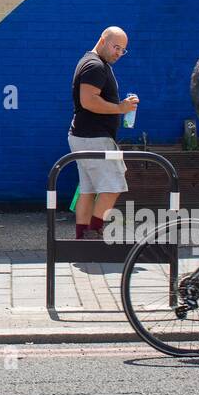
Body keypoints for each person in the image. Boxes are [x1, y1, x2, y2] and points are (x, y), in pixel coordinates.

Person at [68, 27, 140, 239]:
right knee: (113, 185)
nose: (118, 52)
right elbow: (88, 100)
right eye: (115, 47)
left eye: (123, 49)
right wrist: (120, 108)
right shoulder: (94, 66)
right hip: (94, 138)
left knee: (88, 190)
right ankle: (93, 231)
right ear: (102, 40)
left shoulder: (94, 63)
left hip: (84, 136)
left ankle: (82, 237)